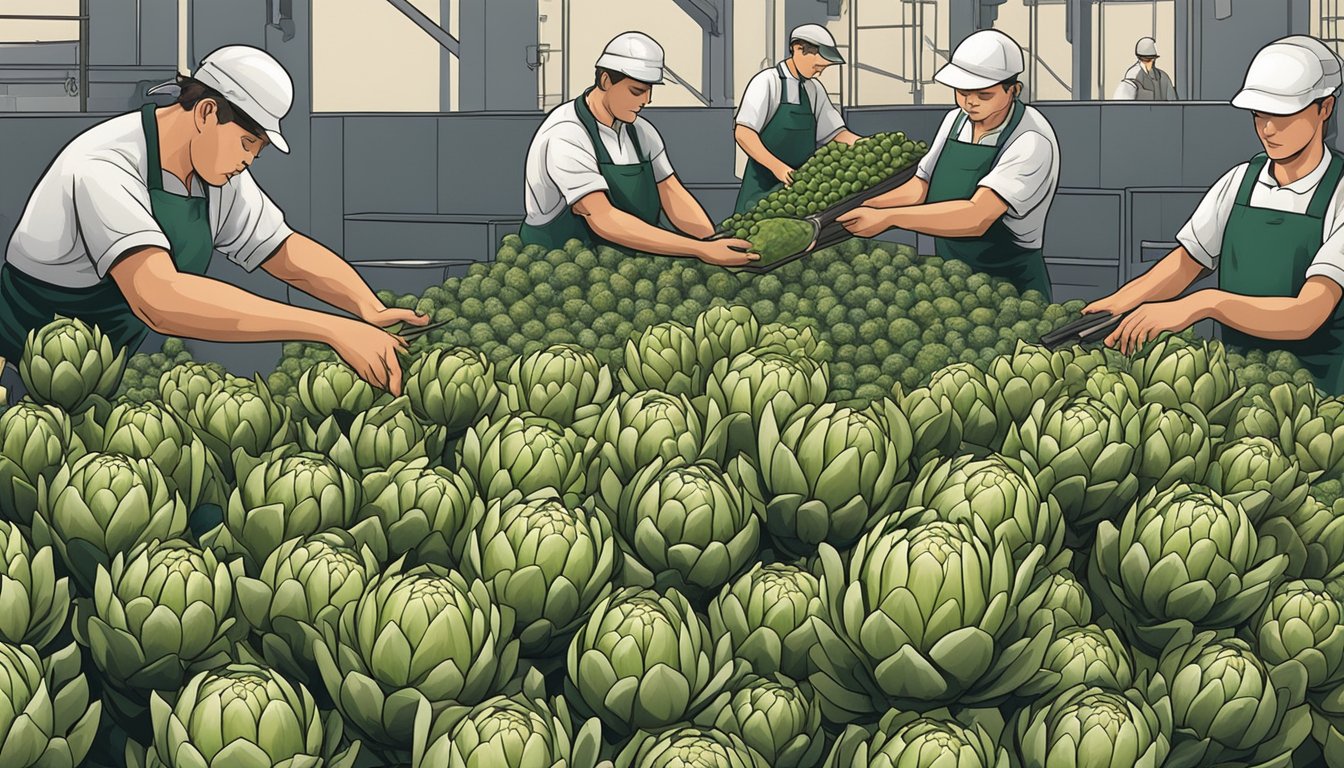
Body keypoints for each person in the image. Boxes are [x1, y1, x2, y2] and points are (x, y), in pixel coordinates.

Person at [0, 45, 422, 396]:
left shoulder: (215, 173)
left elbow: (282, 249)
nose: (249, 161)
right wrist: (331, 329)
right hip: (17, 370)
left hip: (98, 375)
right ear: (205, 113)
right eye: (247, 143)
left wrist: (367, 307)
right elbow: (159, 299)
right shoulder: (103, 165)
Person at [1090, 37, 1344, 393]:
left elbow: (1307, 314)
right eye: (1259, 114)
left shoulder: (1340, 194)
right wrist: (1118, 303)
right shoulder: (1240, 181)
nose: (1267, 129)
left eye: (1282, 115)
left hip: (1317, 400)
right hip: (1232, 387)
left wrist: (1205, 303)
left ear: (1325, 107)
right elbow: (1185, 264)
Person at [837, 29, 1060, 301]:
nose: (970, 102)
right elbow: (921, 186)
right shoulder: (955, 120)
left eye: (984, 94)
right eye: (962, 92)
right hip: (952, 276)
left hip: (1011, 286)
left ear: (1013, 90)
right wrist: (866, 205)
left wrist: (889, 218)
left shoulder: (1030, 140)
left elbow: (977, 216)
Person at [519, 32, 757, 266]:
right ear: (605, 81)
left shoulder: (641, 132)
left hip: (627, 265)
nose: (647, 100)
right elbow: (601, 218)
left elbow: (672, 194)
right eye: (637, 91)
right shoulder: (566, 132)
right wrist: (700, 249)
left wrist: (712, 239)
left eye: (650, 90)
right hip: (559, 265)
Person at [732, 24, 863, 214]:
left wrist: (865, 143)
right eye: (818, 66)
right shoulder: (767, 82)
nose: (819, 72)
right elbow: (744, 133)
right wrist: (778, 168)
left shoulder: (814, 89)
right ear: (798, 49)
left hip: (801, 194)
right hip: (761, 189)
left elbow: (836, 134)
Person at [1113, 37, 1178, 101]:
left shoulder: (1163, 77)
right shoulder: (1133, 75)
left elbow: (1173, 102)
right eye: (1148, 60)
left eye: (1152, 59)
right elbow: (1121, 103)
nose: (1151, 63)